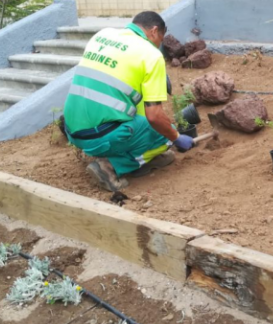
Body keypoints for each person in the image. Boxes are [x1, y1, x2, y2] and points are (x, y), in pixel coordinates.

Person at [62, 11, 194, 191]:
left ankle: (142, 154)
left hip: (72, 131)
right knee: (164, 134)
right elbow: (154, 118)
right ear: (154, 31)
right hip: (99, 138)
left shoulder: (103, 35)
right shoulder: (151, 55)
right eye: (160, 41)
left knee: (139, 110)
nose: (158, 46)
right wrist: (176, 137)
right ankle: (110, 166)